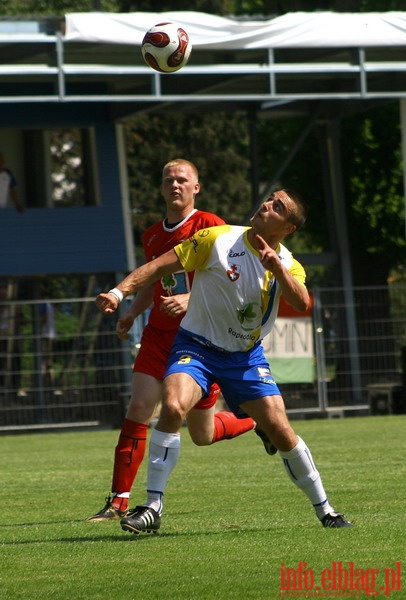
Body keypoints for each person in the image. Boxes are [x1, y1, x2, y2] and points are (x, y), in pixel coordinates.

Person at [96, 188, 353, 532]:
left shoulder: (289, 263)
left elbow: (302, 300)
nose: (266, 205)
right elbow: (158, 267)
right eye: (269, 199)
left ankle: (326, 510)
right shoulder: (216, 239)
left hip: (246, 358)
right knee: (172, 407)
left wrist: (277, 269)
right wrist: (118, 292)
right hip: (196, 347)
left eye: (278, 207)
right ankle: (152, 506)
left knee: (281, 431)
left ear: (288, 228)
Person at [87, 158, 274, 522]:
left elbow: (229, 279)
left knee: (202, 434)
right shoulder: (152, 235)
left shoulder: (211, 225)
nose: (175, 185)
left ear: (196, 187)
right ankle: (118, 500)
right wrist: (131, 311)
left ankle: (255, 422)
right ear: (161, 187)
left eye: (182, 180)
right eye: (169, 180)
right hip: (158, 335)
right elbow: (156, 279)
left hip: (201, 339)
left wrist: (192, 299)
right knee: (139, 407)